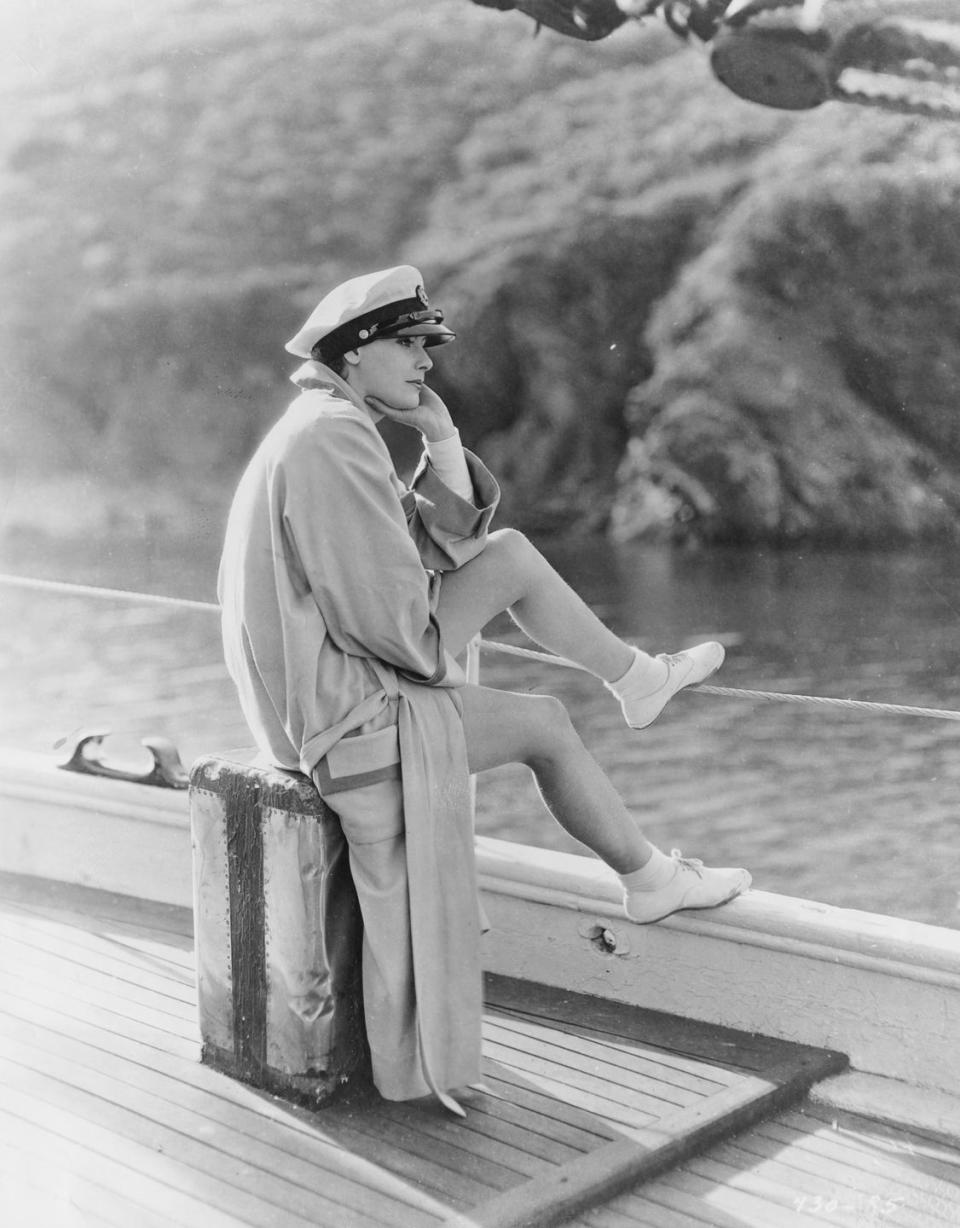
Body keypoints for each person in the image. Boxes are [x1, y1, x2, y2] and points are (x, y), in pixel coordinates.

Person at [217, 265, 751, 1114]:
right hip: (341, 714)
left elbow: (417, 552)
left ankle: (638, 700)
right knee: (540, 709)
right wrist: (438, 625)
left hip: (317, 703)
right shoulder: (332, 438)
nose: (426, 362)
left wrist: (438, 440)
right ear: (354, 352)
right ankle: (647, 840)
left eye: (429, 346)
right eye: (409, 344)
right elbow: (394, 621)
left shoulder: (325, 423)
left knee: (508, 565)